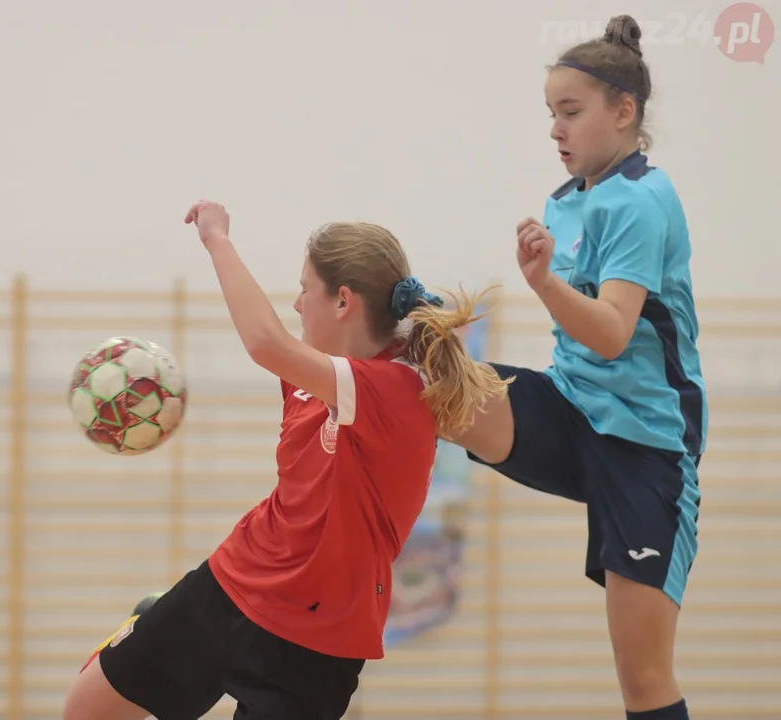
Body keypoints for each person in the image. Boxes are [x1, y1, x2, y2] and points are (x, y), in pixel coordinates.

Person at [63, 203, 509, 720]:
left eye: (304, 289)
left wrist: (217, 240)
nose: (296, 305)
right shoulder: (309, 374)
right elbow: (277, 349)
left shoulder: (395, 390)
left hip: (317, 648)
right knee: (85, 710)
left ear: (343, 301)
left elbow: (262, 341)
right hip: (235, 586)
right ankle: (157, 617)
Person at [445, 15, 706, 720]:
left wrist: (544, 285)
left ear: (625, 112)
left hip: (645, 449)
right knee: (434, 386)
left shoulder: (643, 200)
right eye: (550, 116)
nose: (556, 131)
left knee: (644, 679)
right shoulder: (567, 203)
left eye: (570, 112)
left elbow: (616, 332)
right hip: (572, 408)